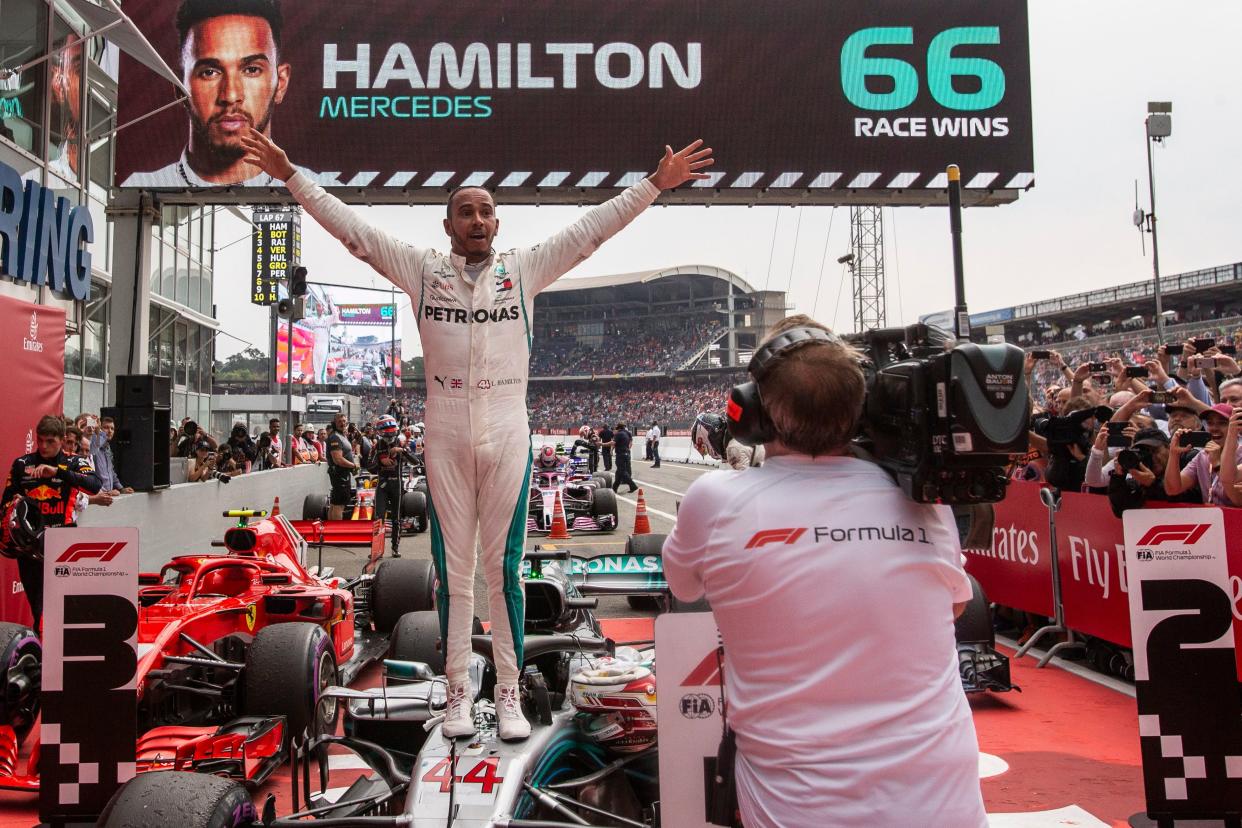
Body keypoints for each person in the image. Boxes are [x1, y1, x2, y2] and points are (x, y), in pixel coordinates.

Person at [241, 123, 712, 742]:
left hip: (507, 430)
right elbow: (352, 231)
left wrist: (655, 184)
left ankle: (510, 694)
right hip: (444, 431)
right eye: (464, 211)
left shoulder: (525, 268)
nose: (477, 220)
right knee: (452, 570)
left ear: (498, 224)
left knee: (506, 570)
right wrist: (290, 175)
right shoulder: (420, 268)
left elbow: (594, 230)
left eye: (486, 212)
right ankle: (458, 692)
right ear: (447, 225)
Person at [663, 316, 986, 828]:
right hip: (944, 805)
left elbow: (683, 585)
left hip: (798, 808)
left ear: (753, 412)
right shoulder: (925, 503)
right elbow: (955, 604)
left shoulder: (715, 500)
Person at [121, 0, 318, 187]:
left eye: (251, 70)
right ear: (179, 85)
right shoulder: (138, 186)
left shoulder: (320, 192)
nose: (230, 95)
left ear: (281, 83)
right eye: (210, 72)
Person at [2, 415, 103, 627]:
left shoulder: (74, 461)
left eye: (50, 441)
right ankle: (42, 651)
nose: (43, 446)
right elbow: (5, 501)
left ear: (61, 439)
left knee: (60, 605)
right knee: (38, 608)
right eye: (40, 440)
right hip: (31, 546)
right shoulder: (22, 464)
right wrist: (15, 501)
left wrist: (58, 472)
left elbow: (94, 485)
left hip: (64, 542)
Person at [369, 415, 414, 557]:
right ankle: (377, 549)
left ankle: (395, 548)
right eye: (386, 433)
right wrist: (381, 462)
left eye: (391, 432)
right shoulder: (377, 446)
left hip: (396, 484)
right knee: (379, 517)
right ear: (381, 432)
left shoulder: (401, 443)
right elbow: (370, 467)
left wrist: (403, 451)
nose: (389, 436)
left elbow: (416, 461)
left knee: (396, 518)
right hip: (382, 484)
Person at [325, 412, 359, 520]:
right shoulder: (335, 437)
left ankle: (330, 531)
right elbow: (338, 459)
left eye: (344, 421)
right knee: (339, 505)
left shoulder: (342, 436)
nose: (342, 423)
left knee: (335, 504)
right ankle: (335, 532)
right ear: (335, 423)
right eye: (339, 421)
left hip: (342, 473)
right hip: (340, 473)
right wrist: (353, 465)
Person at [612, 423, 637, 493]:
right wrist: (628, 448)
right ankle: (614, 488)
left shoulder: (618, 434)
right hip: (627, 452)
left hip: (620, 454)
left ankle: (633, 485)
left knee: (622, 471)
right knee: (619, 471)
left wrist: (603, 444)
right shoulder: (627, 433)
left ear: (618, 428)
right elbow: (631, 441)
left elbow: (613, 443)